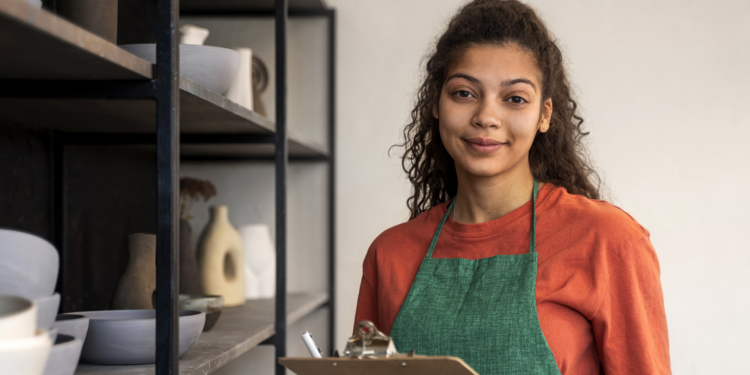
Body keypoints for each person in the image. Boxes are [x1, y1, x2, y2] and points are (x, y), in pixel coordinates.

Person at [353, 0, 671, 374]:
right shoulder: (389, 253)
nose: (486, 116)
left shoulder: (607, 241)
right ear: (437, 103)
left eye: (515, 99)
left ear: (544, 115)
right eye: (464, 93)